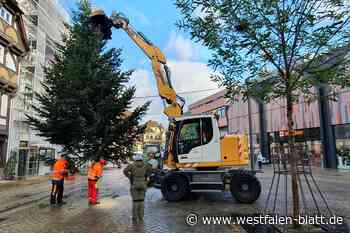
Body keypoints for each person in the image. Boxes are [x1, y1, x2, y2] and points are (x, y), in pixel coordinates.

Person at [123, 154, 152, 224]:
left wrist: (129, 176)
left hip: (134, 184)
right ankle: (141, 217)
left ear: (135, 159)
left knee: (135, 201)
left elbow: (125, 171)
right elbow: (151, 170)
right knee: (141, 201)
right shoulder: (145, 165)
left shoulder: (132, 165)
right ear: (141, 159)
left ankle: (134, 217)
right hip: (143, 184)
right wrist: (147, 177)